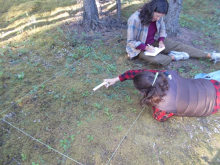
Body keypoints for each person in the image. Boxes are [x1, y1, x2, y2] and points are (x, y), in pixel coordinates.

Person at [126, 0, 220, 66]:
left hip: (153, 41)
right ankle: (173, 57)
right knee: (156, 59)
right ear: (151, 10)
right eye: (157, 16)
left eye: (160, 17)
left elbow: (162, 28)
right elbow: (131, 41)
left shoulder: (159, 16)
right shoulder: (135, 19)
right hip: (139, 48)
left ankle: (209, 55)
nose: (158, 19)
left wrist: (161, 41)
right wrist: (146, 47)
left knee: (179, 46)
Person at [103, 69, 220, 122]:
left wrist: (152, 103)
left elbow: (159, 118)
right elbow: (136, 73)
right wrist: (116, 79)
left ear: (144, 92)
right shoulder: (163, 74)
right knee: (200, 75)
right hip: (211, 85)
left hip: (213, 104)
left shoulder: (163, 105)